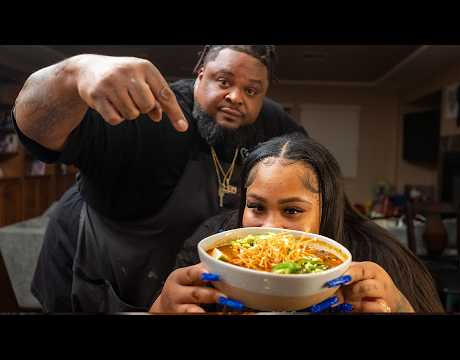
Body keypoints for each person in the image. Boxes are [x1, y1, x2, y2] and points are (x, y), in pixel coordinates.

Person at [12, 45, 307, 312]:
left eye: (252, 91)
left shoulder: (271, 122)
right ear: (200, 75)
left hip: (181, 276)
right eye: (223, 81)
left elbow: (316, 177)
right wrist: (72, 74)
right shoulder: (150, 115)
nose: (236, 97)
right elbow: (37, 133)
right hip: (97, 276)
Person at [152, 133, 444, 313]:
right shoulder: (212, 244)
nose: (269, 229)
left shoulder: (379, 255)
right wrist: (162, 307)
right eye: (255, 207)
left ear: (327, 208)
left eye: (292, 211)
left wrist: (400, 305)